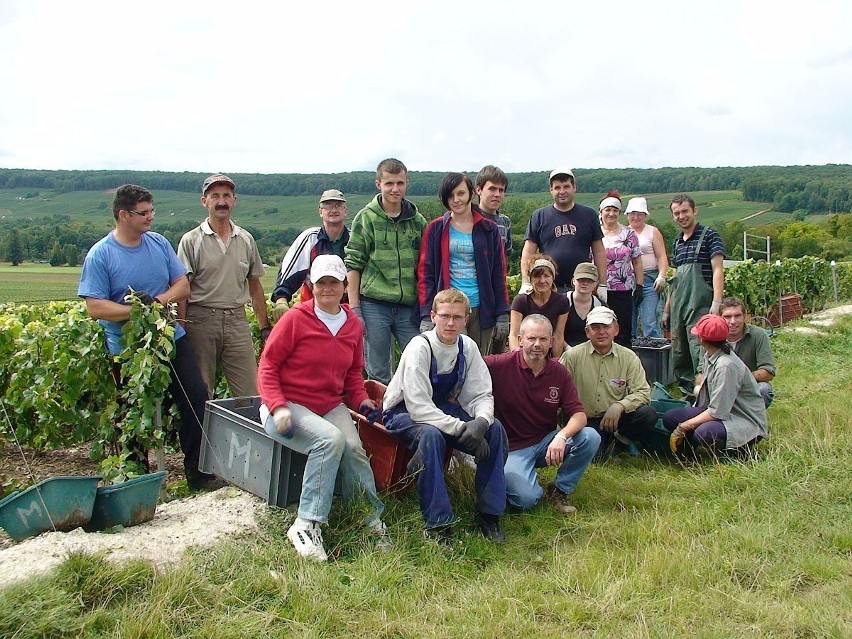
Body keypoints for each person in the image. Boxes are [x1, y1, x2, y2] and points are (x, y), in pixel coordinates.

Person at [78, 184, 224, 490]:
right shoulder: (101, 254)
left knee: (195, 396)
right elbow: (94, 306)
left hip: (170, 337)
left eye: (151, 211)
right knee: (132, 410)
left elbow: (182, 285)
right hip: (127, 347)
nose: (150, 218)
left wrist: (155, 303)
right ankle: (137, 480)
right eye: (144, 213)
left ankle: (198, 475)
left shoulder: (158, 243)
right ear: (123, 215)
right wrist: (134, 312)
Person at [257, 255, 388, 562]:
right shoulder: (295, 319)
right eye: (321, 283)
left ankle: (368, 518)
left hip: (327, 404)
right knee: (329, 440)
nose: (327, 288)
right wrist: (277, 407)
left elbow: (353, 375)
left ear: (345, 286)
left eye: (334, 282)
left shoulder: (353, 325)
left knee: (354, 448)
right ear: (310, 287)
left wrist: (361, 401)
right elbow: (267, 366)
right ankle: (306, 524)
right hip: (287, 404)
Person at [382, 289, 509, 544]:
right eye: (445, 316)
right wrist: (464, 429)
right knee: (431, 436)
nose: (451, 323)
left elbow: (481, 393)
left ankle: (490, 514)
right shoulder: (420, 347)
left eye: (457, 317)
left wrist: (482, 422)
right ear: (433, 316)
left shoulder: (467, 347)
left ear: (467, 319)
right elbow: (418, 407)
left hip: (441, 408)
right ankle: (438, 523)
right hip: (403, 412)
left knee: (496, 430)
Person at [485, 315, 599, 515]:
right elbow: (468, 365)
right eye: (531, 338)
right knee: (526, 500)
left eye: (543, 339)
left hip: (546, 442)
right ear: (520, 340)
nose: (537, 344)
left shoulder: (559, 372)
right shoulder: (499, 365)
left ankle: (559, 489)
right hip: (512, 448)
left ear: (552, 342)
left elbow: (579, 415)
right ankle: (519, 481)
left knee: (590, 437)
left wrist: (561, 436)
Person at [176, 174, 271, 399]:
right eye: (215, 196)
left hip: (237, 321)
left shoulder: (246, 239)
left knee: (250, 393)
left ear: (234, 200)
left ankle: (249, 434)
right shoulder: (190, 241)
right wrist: (181, 330)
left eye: (227, 196)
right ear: (204, 201)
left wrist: (264, 327)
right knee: (201, 391)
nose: (222, 201)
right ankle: (204, 436)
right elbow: (182, 290)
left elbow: (255, 285)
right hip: (201, 320)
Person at [345, 158, 427, 384]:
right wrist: (355, 308)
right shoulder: (366, 218)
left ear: (407, 183)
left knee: (418, 363)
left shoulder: (417, 220)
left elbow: (424, 266)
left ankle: (412, 414)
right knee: (378, 370)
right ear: (378, 184)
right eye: (389, 183)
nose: (395, 189)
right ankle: (380, 416)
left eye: (400, 183)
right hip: (374, 304)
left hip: (408, 306)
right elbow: (354, 263)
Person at [417, 172, 510, 355]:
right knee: (452, 360)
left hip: (481, 307)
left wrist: (502, 313)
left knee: (478, 361)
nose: (456, 200)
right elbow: (425, 273)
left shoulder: (488, 228)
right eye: (450, 196)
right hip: (449, 308)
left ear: (471, 193)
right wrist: (426, 313)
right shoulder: (436, 229)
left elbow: (499, 273)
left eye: (460, 194)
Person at [663, 314, 768, 458]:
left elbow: (717, 412)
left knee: (703, 433)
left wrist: (684, 427)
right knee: (670, 417)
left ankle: (738, 450)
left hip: (742, 419)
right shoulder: (711, 355)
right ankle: (686, 456)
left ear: (702, 340)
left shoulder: (726, 366)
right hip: (722, 412)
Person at [561, 307, 657, 455]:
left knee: (647, 414)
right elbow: (556, 389)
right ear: (587, 332)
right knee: (595, 456)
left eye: (606, 326)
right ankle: (603, 446)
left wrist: (619, 406)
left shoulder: (629, 357)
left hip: (617, 419)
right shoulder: (572, 356)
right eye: (595, 327)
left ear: (616, 329)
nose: (601, 332)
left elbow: (643, 392)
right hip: (584, 420)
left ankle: (619, 442)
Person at [661, 194, 726, 396]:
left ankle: (706, 393)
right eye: (677, 213)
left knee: (699, 348)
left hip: (700, 303)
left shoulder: (709, 235)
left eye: (685, 211)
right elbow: (676, 278)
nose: (681, 216)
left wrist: (717, 302)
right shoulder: (678, 242)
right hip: (679, 304)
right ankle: (688, 394)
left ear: (694, 211)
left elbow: (718, 269)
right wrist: (667, 310)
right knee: (680, 351)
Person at [520, 168, 607, 297]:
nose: (562, 191)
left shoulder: (589, 215)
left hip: (582, 287)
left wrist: (602, 284)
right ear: (551, 190)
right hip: (549, 287)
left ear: (574, 187)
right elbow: (528, 252)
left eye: (566, 186)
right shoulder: (539, 216)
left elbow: (599, 251)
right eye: (557, 188)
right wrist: (526, 282)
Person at [270, 188, 351, 321]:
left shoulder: (355, 240)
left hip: (347, 311)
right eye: (328, 206)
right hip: (312, 311)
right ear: (320, 212)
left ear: (345, 211)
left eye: (338, 205)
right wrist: (281, 299)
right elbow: (291, 270)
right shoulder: (309, 238)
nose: (334, 210)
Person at [695, 297, 776, 407]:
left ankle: (754, 420)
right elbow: (700, 374)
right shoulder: (710, 336)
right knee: (698, 389)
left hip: (747, 386)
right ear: (720, 318)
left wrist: (737, 379)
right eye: (727, 317)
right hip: (718, 385)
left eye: (737, 316)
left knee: (764, 389)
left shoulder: (759, 335)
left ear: (745, 316)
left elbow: (768, 372)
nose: (733, 321)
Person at [597, 189, 643, 348]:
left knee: (622, 330)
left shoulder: (629, 233)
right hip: (598, 289)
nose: (611, 213)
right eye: (608, 210)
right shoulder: (595, 233)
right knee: (600, 329)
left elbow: (637, 260)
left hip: (623, 289)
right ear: (601, 211)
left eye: (615, 210)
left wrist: (639, 285)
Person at [509, 254, 569, 358]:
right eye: (537, 276)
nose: (542, 281)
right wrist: (517, 357)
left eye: (546, 276)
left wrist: (555, 361)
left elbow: (558, 335)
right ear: (531, 278)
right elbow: (514, 335)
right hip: (524, 353)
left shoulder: (561, 301)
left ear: (553, 278)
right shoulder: (521, 301)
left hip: (547, 353)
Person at [626, 197, 668, 338]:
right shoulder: (623, 232)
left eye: (639, 214)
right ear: (627, 215)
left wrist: (662, 275)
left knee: (650, 321)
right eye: (632, 214)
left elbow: (661, 256)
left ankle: (652, 355)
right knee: (628, 322)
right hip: (628, 280)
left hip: (649, 280)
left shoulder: (652, 231)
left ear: (645, 215)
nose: (636, 217)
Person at [474, 165, 513, 263]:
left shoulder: (505, 221)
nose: (497, 194)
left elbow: (505, 255)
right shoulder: (468, 219)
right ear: (479, 190)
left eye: (501, 190)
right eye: (492, 189)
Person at [564, 262, 605, 348]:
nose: (585, 283)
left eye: (590, 280)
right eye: (581, 279)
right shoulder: (562, 301)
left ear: (596, 283)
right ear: (574, 280)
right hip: (564, 352)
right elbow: (555, 333)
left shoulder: (600, 306)